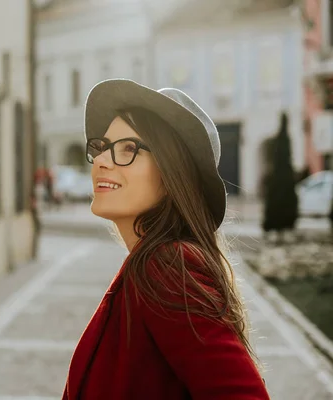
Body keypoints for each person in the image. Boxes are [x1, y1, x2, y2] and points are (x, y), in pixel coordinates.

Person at [62, 79, 270, 399]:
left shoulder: (167, 266)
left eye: (129, 149)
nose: (102, 160)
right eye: (101, 147)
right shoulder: (149, 264)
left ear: (172, 172)